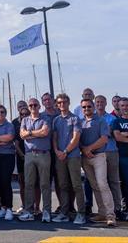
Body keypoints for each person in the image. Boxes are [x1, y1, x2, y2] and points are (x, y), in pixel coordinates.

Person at [79, 98, 116, 227]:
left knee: (102, 184)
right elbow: (78, 139)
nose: (86, 109)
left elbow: (104, 139)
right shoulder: (80, 122)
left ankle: (110, 215)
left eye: (89, 106)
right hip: (85, 158)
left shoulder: (101, 121)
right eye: (84, 107)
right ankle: (102, 213)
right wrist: (84, 150)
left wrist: (90, 149)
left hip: (98, 156)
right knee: (94, 186)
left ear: (93, 107)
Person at [52, 93, 86, 224]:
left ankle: (81, 213)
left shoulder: (75, 119)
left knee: (76, 185)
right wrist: (56, 151)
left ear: (68, 103)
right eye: (59, 103)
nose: (62, 105)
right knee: (63, 185)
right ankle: (64, 212)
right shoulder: (56, 120)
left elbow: (76, 138)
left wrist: (65, 151)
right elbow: (54, 138)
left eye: (64, 102)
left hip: (72, 156)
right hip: (60, 156)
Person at [18, 97, 51, 222]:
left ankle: (46, 211)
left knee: (44, 184)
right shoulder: (25, 120)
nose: (33, 107)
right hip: (29, 154)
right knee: (29, 184)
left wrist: (29, 133)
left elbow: (45, 133)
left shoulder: (45, 118)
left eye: (35, 105)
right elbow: (22, 135)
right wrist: (35, 132)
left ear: (39, 106)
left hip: (43, 154)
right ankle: (29, 211)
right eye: (30, 105)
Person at [95, 95, 123, 219]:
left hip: (111, 151)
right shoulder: (91, 118)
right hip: (97, 153)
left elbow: (111, 133)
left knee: (114, 181)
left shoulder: (112, 118)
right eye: (97, 102)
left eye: (102, 102)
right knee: (100, 183)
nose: (100, 104)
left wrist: (101, 131)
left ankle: (117, 208)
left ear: (106, 103)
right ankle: (104, 210)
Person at [13, 100, 35, 214]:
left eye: (24, 109)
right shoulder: (15, 123)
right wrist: (22, 155)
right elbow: (15, 142)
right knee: (22, 183)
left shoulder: (34, 121)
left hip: (33, 154)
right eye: (20, 109)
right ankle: (24, 204)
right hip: (21, 156)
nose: (24, 115)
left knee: (33, 183)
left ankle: (35, 206)